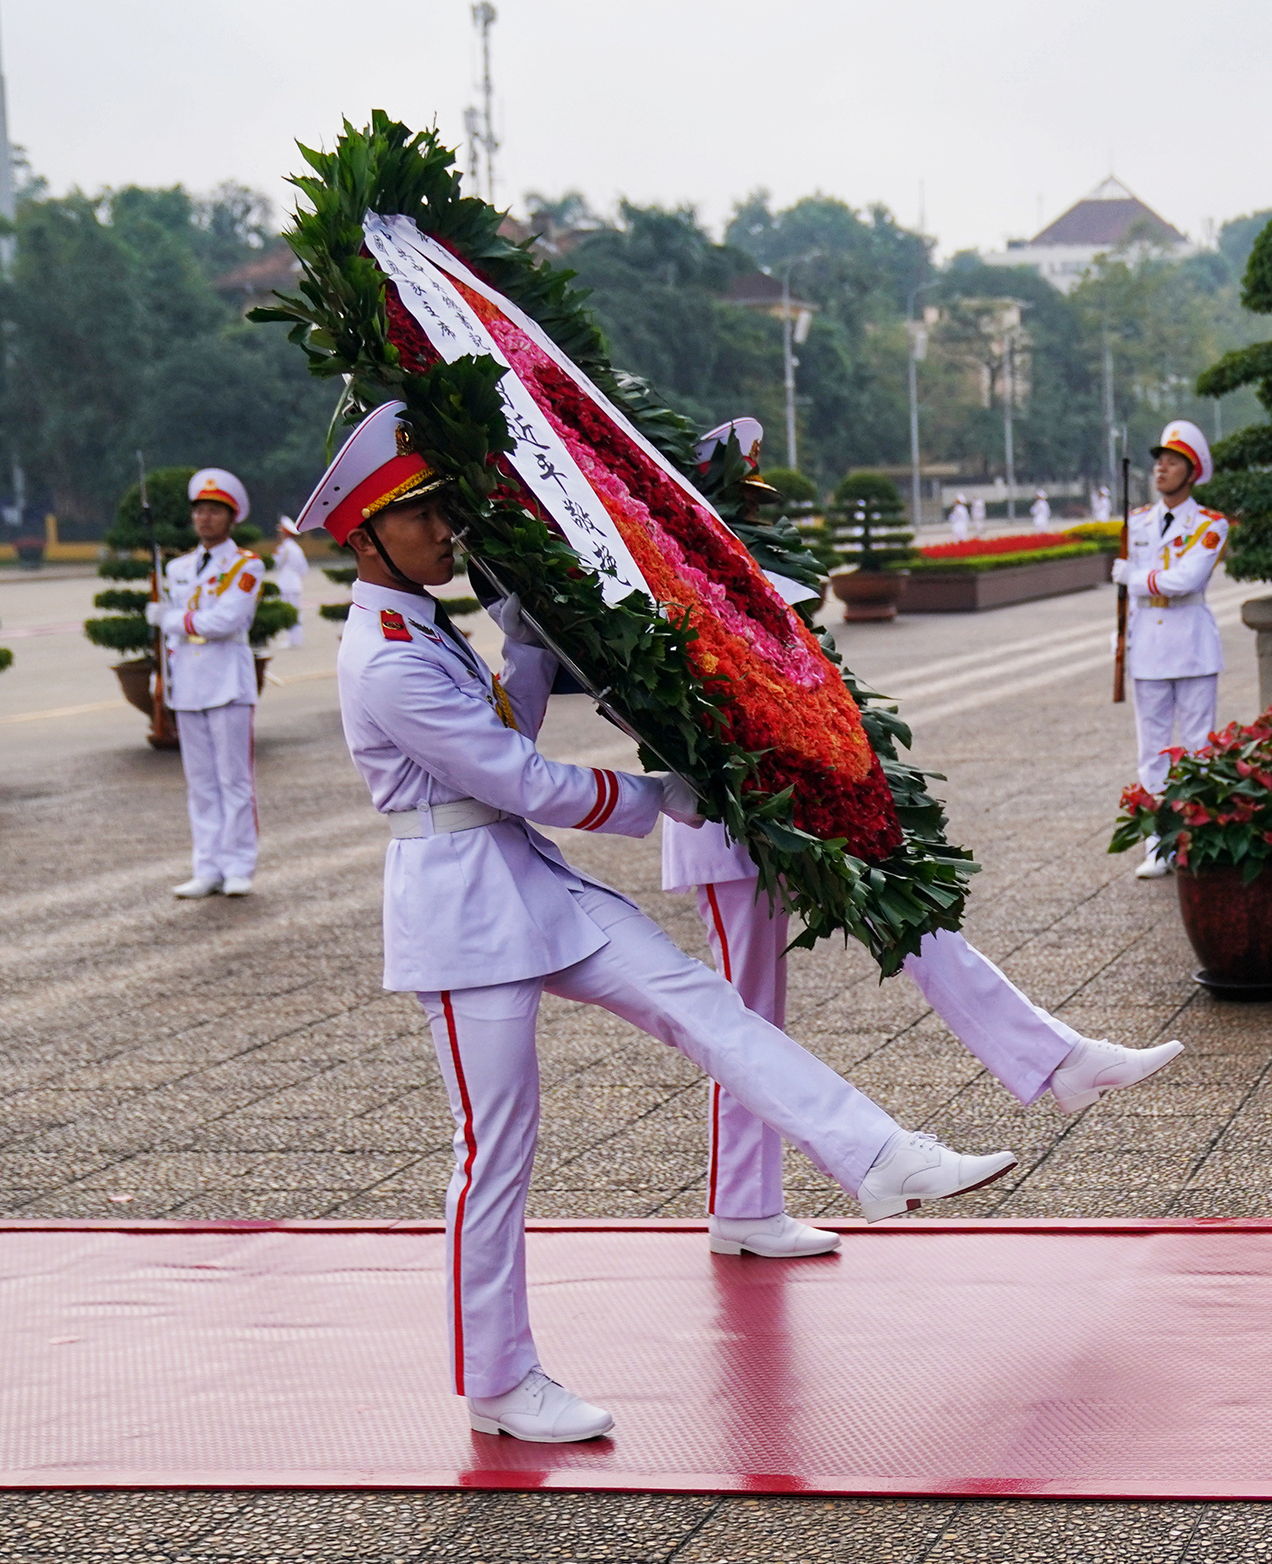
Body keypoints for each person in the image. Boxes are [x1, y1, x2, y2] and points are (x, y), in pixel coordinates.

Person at [308, 401, 1018, 1444]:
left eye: (446, 505)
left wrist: (528, 645)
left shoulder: (422, 627)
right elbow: (514, 774)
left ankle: (877, 1154)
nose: (449, 526)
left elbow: (504, 728)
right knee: (495, 1150)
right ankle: (501, 1383)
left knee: (704, 1008)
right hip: (460, 911)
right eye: (425, 514)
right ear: (363, 537)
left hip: (522, 880)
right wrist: (654, 797)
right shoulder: (384, 656)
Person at [667, 420, 1184, 1259]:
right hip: (733, 819)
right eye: (738, 493)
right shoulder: (674, 573)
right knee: (747, 1020)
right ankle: (744, 1207)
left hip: (807, 802)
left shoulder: (737, 561)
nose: (752, 509)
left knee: (912, 931)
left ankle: (1058, 1060)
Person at [1112, 420, 1227, 879]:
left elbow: (1187, 580)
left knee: (1198, 746)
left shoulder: (1209, 524)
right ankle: (1159, 843)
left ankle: (1197, 836)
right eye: (1159, 460)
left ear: (1191, 471)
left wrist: (1132, 578)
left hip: (1193, 643)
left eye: (1172, 461)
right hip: (1149, 648)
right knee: (1153, 750)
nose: (1161, 468)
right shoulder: (1137, 520)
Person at [149, 468, 263, 898]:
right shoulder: (177, 568)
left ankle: (239, 866)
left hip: (228, 682)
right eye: (199, 510)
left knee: (234, 780)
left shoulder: (246, 565)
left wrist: (171, 620)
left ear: (231, 518)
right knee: (200, 782)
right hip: (189, 683)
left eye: (214, 511)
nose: (205, 518)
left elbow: (227, 620)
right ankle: (208, 866)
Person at [271, 514, 310, 649]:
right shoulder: (296, 548)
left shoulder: (284, 548)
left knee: (289, 612)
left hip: (285, 582)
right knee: (295, 611)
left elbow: (276, 564)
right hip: (295, 582)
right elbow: (304, 568)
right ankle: (296, 639)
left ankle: (293, 640)